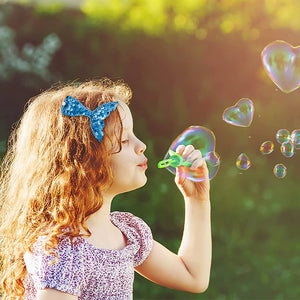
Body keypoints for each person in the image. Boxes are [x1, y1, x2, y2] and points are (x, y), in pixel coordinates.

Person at [0, 78, 212, 300]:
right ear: (84, 158)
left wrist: (197, 200)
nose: (141, 145)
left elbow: (193, 276)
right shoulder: (64, 251)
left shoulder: (128, 234)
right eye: (124, 138)